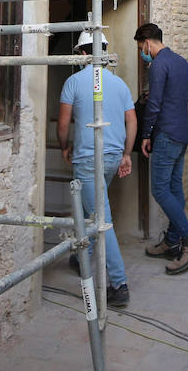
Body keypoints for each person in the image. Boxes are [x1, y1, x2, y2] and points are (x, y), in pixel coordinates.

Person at [58, 30, 135, 307]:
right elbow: (132, 121)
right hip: (112, 157)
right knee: (90, 211)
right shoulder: (119, 83)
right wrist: (126, 154)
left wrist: (64, 147)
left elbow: (64, 123)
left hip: (88, 160)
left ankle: (119, 283)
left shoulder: (74, 82)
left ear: (82, 54)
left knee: (101, 220)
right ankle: (81, 259)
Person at [135, 22, 188, 275]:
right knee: (175, 187)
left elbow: (154, 104)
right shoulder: (181, 62)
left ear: (146, 43)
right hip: (182, 131)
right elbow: (178, 98)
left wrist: (146, 134)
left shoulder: (158, 65)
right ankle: (171, 240)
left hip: (165, 134)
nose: (142, 53)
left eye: (141, 47)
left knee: (160, 189)